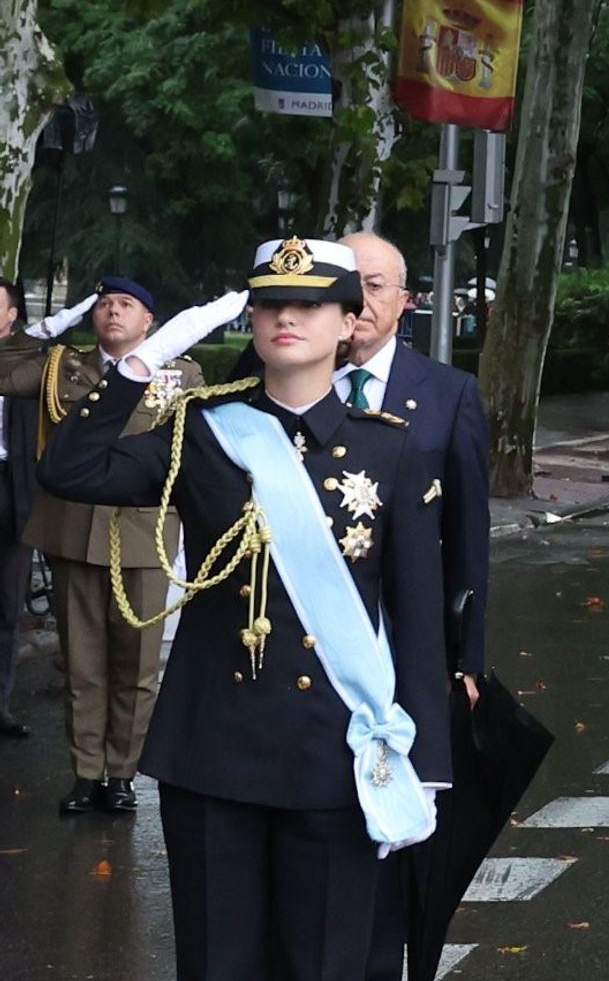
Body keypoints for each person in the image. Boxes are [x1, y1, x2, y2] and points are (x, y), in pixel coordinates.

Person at [39, 237, 452, 981]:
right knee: (216, 961)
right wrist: (138, 367)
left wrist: (424, 765)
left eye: (309, 303)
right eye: (269, 304)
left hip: (333, 750)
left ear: (347, 322)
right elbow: (71, 469)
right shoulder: (202, 431)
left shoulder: (391, 452)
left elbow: (419, 619)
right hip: (213, 748)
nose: (285, 317)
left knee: (323, 962)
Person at [336, 232, 493, 981]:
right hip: (319, 648)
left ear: (405, 301)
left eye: (373, 285)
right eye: (343, 284)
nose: (358, 302)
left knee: (398, 834)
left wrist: (468, 663)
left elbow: (469, 540)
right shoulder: (286, 383)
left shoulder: (447, 394)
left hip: (409, 651)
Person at [0, 278, 204, 813]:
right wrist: (40, 330)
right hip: (71, 528)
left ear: (149, 322)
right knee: (82, 664)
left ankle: (122, 774)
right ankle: (86, 772)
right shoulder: (62, 367)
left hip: (141, 531)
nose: (113, 311)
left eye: (126, 304)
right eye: (104, 304)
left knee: (135, 667)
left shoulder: (181, 374)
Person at [0, 279, 37, 739]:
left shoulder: (36, 361)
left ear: (12, 316)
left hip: (14, 488)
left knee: (7, 605)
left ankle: (0, 704)